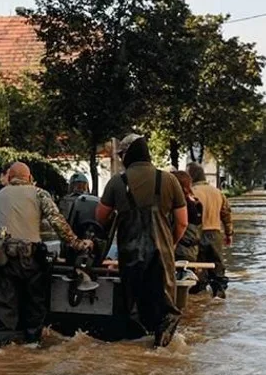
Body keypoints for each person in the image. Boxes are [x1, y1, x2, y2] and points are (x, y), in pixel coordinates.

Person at [0, 162, 93, 347]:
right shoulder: (39, 193)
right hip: (32, 260)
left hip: (2, 261)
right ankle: (32, 344)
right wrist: (77, 244)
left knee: (3, 309)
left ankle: (4, 348)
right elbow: (58, 222)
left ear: (9, 178)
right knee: (34, 306)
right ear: (30, 178)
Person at [96, 134, 188, 347]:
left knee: (135, 307)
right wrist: (170, 245)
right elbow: (182, 222)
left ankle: (136, 354)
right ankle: (162, 349)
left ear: (128, 154)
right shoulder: (168, 179)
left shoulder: (117, 182)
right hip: (162, 254)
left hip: (130, 253)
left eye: (121, 155)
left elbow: (100, 217)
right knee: (165, 309)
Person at [189, 162, 233, 299]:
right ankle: (219, 293)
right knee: (217, 265)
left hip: (196, 234)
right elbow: (226, 214)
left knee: (198, 268)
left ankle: (198, 301)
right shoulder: (217, 192)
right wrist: (229, 233)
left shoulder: (191, 193)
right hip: (215, 233)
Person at [171, 169, 203, 262]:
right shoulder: (196, 203)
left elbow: (182, 224)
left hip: (179, 251)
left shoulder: (180, 204)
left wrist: (172, 243)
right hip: (192, 251)